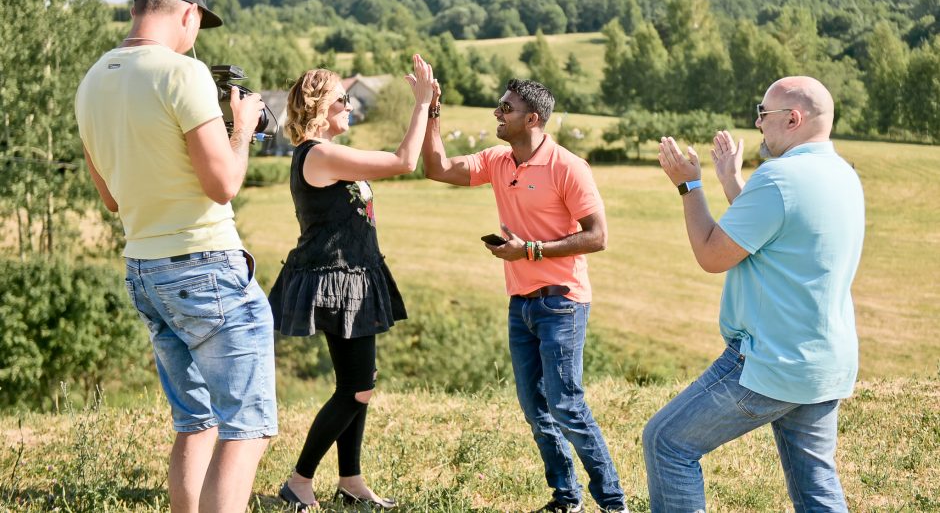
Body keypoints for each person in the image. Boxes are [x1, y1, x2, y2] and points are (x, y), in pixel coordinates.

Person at [75, 0, 275, 513]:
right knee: (246, 427)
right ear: (188, 15)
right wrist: (242, 125)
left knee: (197, 421)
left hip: (143, 266)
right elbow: (223, 183)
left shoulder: (91, 81)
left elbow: (112, 199)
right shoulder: (182, 75)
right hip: (205, 263)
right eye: (197, 25)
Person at [645, 76, 865, 512]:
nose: (758, 124)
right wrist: (731, 179)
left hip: (770, 362)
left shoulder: (780, 177)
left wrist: (689, 186)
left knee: (667, 442)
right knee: (815, 483)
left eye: (763, 114)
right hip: (823, 362)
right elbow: (769, 230)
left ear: (793, 118)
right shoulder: (843, 175)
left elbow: (713, 255)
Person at [422, 79, 628, 513]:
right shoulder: (498, 161)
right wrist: (431, 109)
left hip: (562, 302)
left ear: (531, 119)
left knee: (566, 406)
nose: (497, 113)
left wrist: (529, 250)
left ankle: (613, 503)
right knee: (536, 410)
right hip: (521, 304)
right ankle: (566, 498)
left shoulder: (568, 167)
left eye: (505, 107)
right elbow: (437, 168)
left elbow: (598, 237)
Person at [268, 55, 435, 510]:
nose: (351, 106)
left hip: (354, 276)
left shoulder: (326, 154)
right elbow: (404, 161)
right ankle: (299, 482)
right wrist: (421, 103)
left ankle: (351, 481)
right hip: (336, 281)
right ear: (320, 106)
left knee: (357, 383)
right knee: (357, 387)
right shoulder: (318, 153)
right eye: (344, 99)